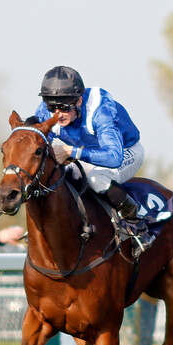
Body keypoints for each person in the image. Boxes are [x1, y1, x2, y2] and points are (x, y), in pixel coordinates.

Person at [33, 65, 152, 250]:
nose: (57, 114)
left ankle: (138, 226)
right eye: (52, 107)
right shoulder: (45, 110)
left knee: (97, 178)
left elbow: (113, 157)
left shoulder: (100, 110)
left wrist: (71, 152)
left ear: (79, 101)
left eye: (64, 108)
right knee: (56, 176)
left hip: (125, 152)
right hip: (85, 152)